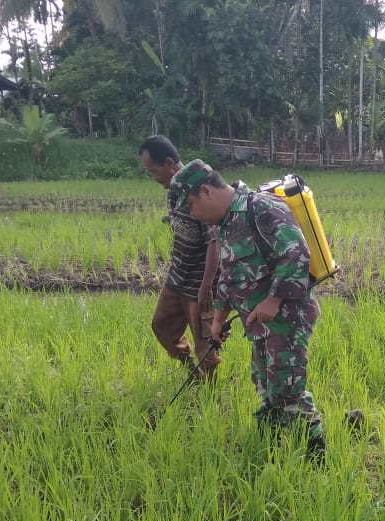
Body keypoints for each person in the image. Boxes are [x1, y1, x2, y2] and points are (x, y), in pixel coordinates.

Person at [171, 159, 326, 457]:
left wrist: (274, 300)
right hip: (258, 323)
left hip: (287, 319)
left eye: (191, 206)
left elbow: (296, 253)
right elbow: (228, 277)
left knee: (287, 388)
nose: (194, 214)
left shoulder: (260, 208)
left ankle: (316, 459)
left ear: (206, 191)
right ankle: (266, 448)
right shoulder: (226, 223)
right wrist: (217, 320)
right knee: (266, 384)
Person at [139, 135, 221, 380]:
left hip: (199, 284)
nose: (154, 178)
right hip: (177, 278)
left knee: (205, 347)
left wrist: (207, 286)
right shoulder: (173, 193)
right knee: (161, 326)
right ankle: (191, 372)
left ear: (169, 163)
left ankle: (210, 397)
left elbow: (214, 242)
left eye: (154, 171)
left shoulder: (199, 190)